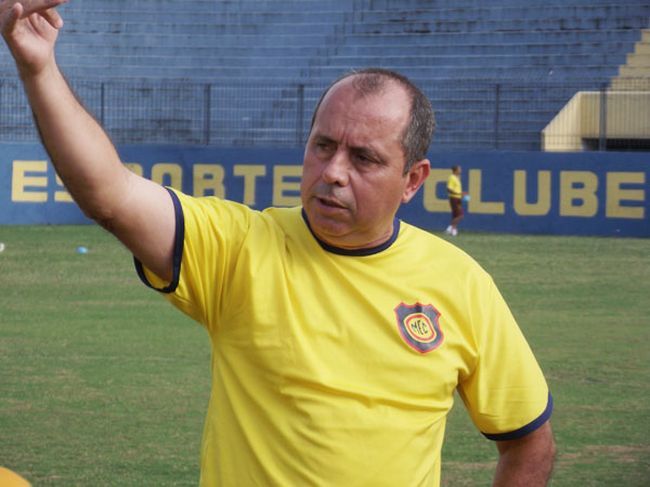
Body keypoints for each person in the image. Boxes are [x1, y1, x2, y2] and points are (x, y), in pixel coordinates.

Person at [1, 1, 556, 485]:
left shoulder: (461, 284)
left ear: (413, 180)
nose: (334, 172)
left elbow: (529, 440)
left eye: (364, 158)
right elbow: (111, 196)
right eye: (323, 146)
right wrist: (39, 67)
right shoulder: (241, 249)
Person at [445, 165, 465, 236]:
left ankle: (453, 230)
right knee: (460, 215)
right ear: (455, 170)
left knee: (455, 215)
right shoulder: (452, 178)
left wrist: (461, 194)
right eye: (459, 169)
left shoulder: (457, 178)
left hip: (458, 198)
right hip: (454, 198)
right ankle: (450, 228)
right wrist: (458, 193)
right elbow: (449, 189)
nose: (460, 170)